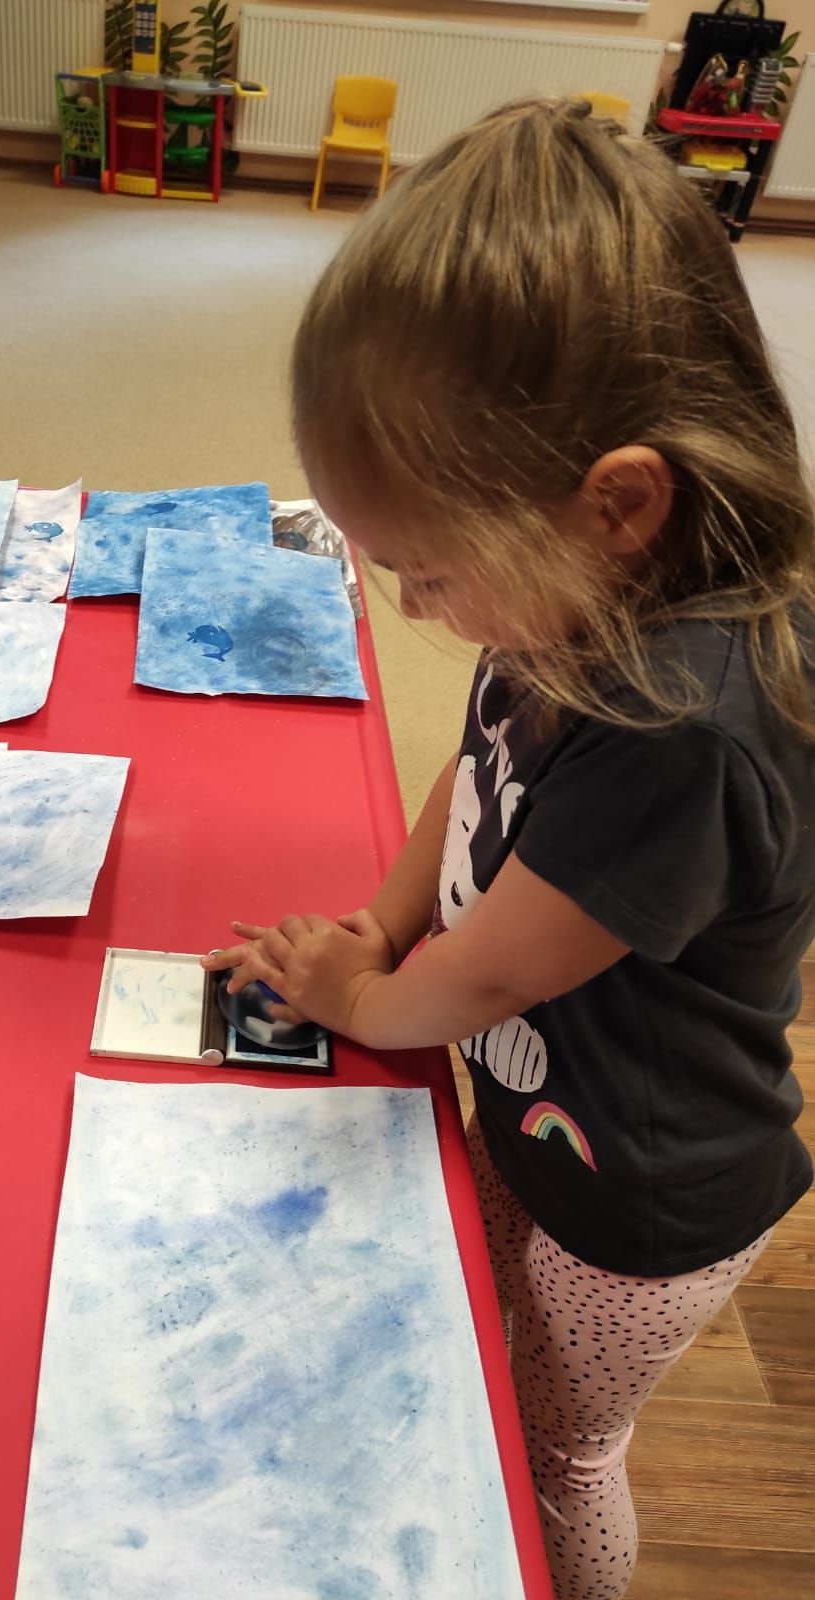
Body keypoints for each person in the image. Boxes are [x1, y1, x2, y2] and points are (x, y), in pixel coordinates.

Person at [204, 98, 814, 1600]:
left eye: (427, 571)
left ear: (618, 503)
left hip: (645, 1204)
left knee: (554, 1447)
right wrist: (377, 923)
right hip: (543, 1114)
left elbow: (487, 982)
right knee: (458, 1329)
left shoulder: (682, 732)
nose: (416, 611)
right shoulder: (575, 588)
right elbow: (473, 772)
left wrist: (359, 994)